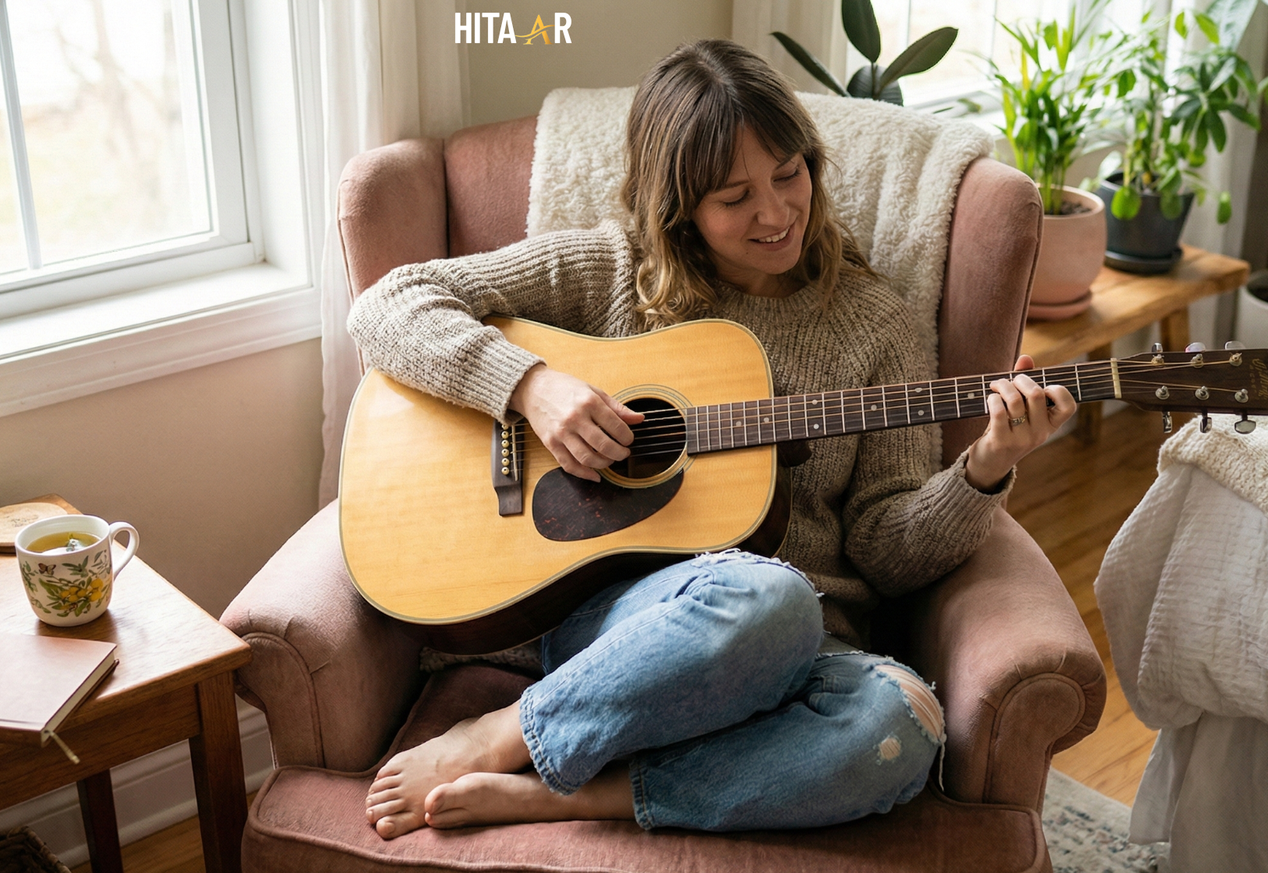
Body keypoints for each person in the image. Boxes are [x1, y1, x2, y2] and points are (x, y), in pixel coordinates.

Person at [346, 39, 1076, 839]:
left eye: (790, 173)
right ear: (679, 205)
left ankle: (580, 792)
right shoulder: (611, 269)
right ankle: (502, 733)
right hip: (618, 632)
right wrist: (530, 387)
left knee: (904, 722)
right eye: (735, 196)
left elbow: (883, 551)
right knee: (768, 593)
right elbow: (389, 305)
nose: (776, 213)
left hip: (801, 645)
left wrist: (984, 468)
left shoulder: (880, 327)